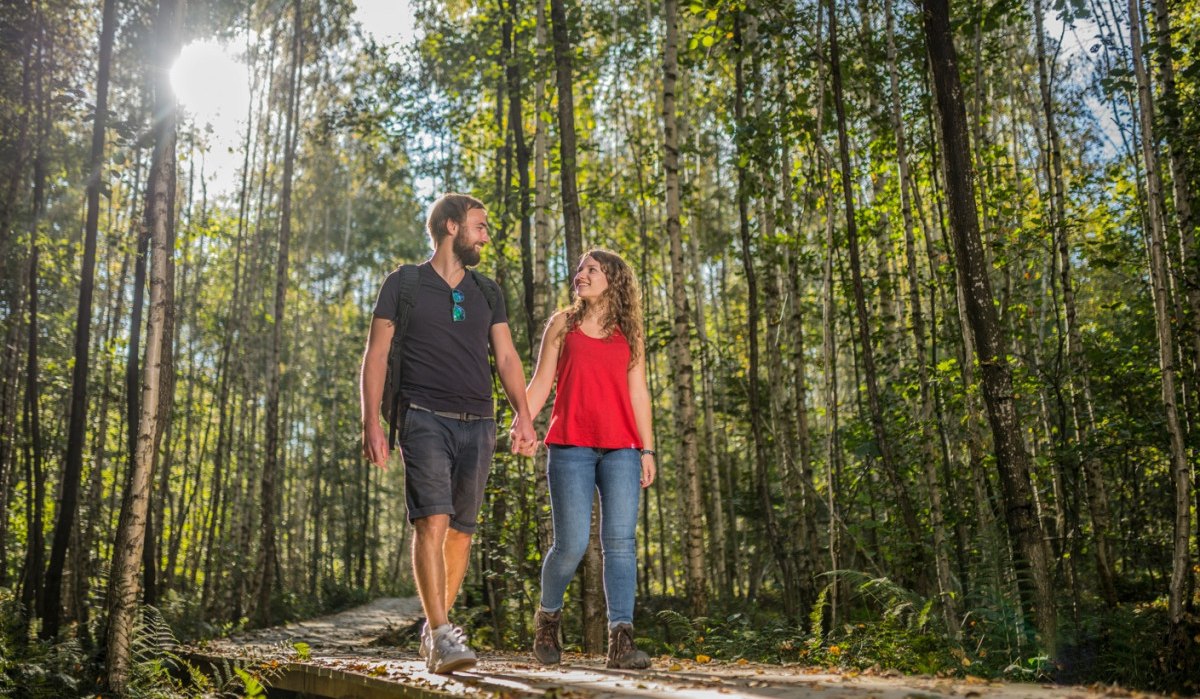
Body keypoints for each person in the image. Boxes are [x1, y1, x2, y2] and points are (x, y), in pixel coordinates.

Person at [360, 193, 537, 674]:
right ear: (451, 227)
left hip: (479, 422)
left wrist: (523, 414)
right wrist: (372, 421)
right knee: (432, 521)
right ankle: (441, 634)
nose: (486, 237)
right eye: (480, 226)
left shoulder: (487, 291)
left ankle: (435, 630)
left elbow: (506, 357)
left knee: (461, 532)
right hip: (422, 416)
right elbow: (376, 354)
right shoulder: (403, 283)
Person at [520, 249, 656, 669]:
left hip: (622, 449)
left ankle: (622, 641)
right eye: (579, 269)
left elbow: (638, 392)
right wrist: (522, 422)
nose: (581, 275)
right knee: (571, 545)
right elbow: (541, 382)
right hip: (571, 444)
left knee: (620, 544)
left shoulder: (629, 332)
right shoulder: (563, 324)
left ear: (612, 279)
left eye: (591, 270)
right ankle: (548, 620)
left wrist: (648, 448)